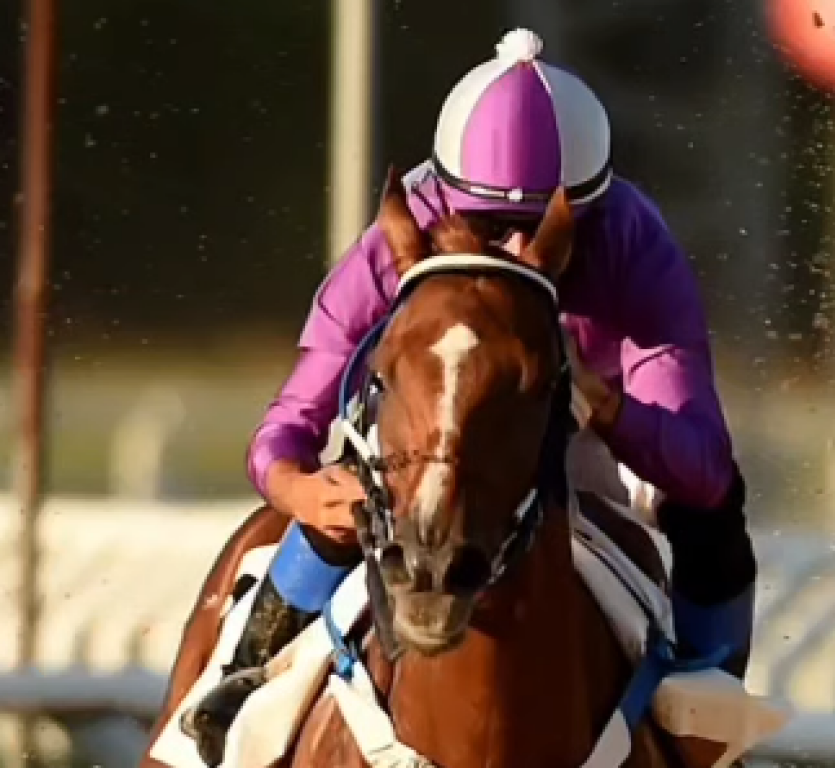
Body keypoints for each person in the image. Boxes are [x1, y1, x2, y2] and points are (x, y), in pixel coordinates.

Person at [184, 27, 757, 759]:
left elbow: (701, 461)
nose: (515, 251)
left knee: (712, 502)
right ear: (445, 201)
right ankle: (239, 677)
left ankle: (705, 709)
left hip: (591, 418)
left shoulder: (632, 245)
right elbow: (288, 426)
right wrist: (296, 488)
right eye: (490, 226)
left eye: (541, 229)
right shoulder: (406, 232)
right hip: (440, 420)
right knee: (346, 489)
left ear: (588, 212)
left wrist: (603, 405)